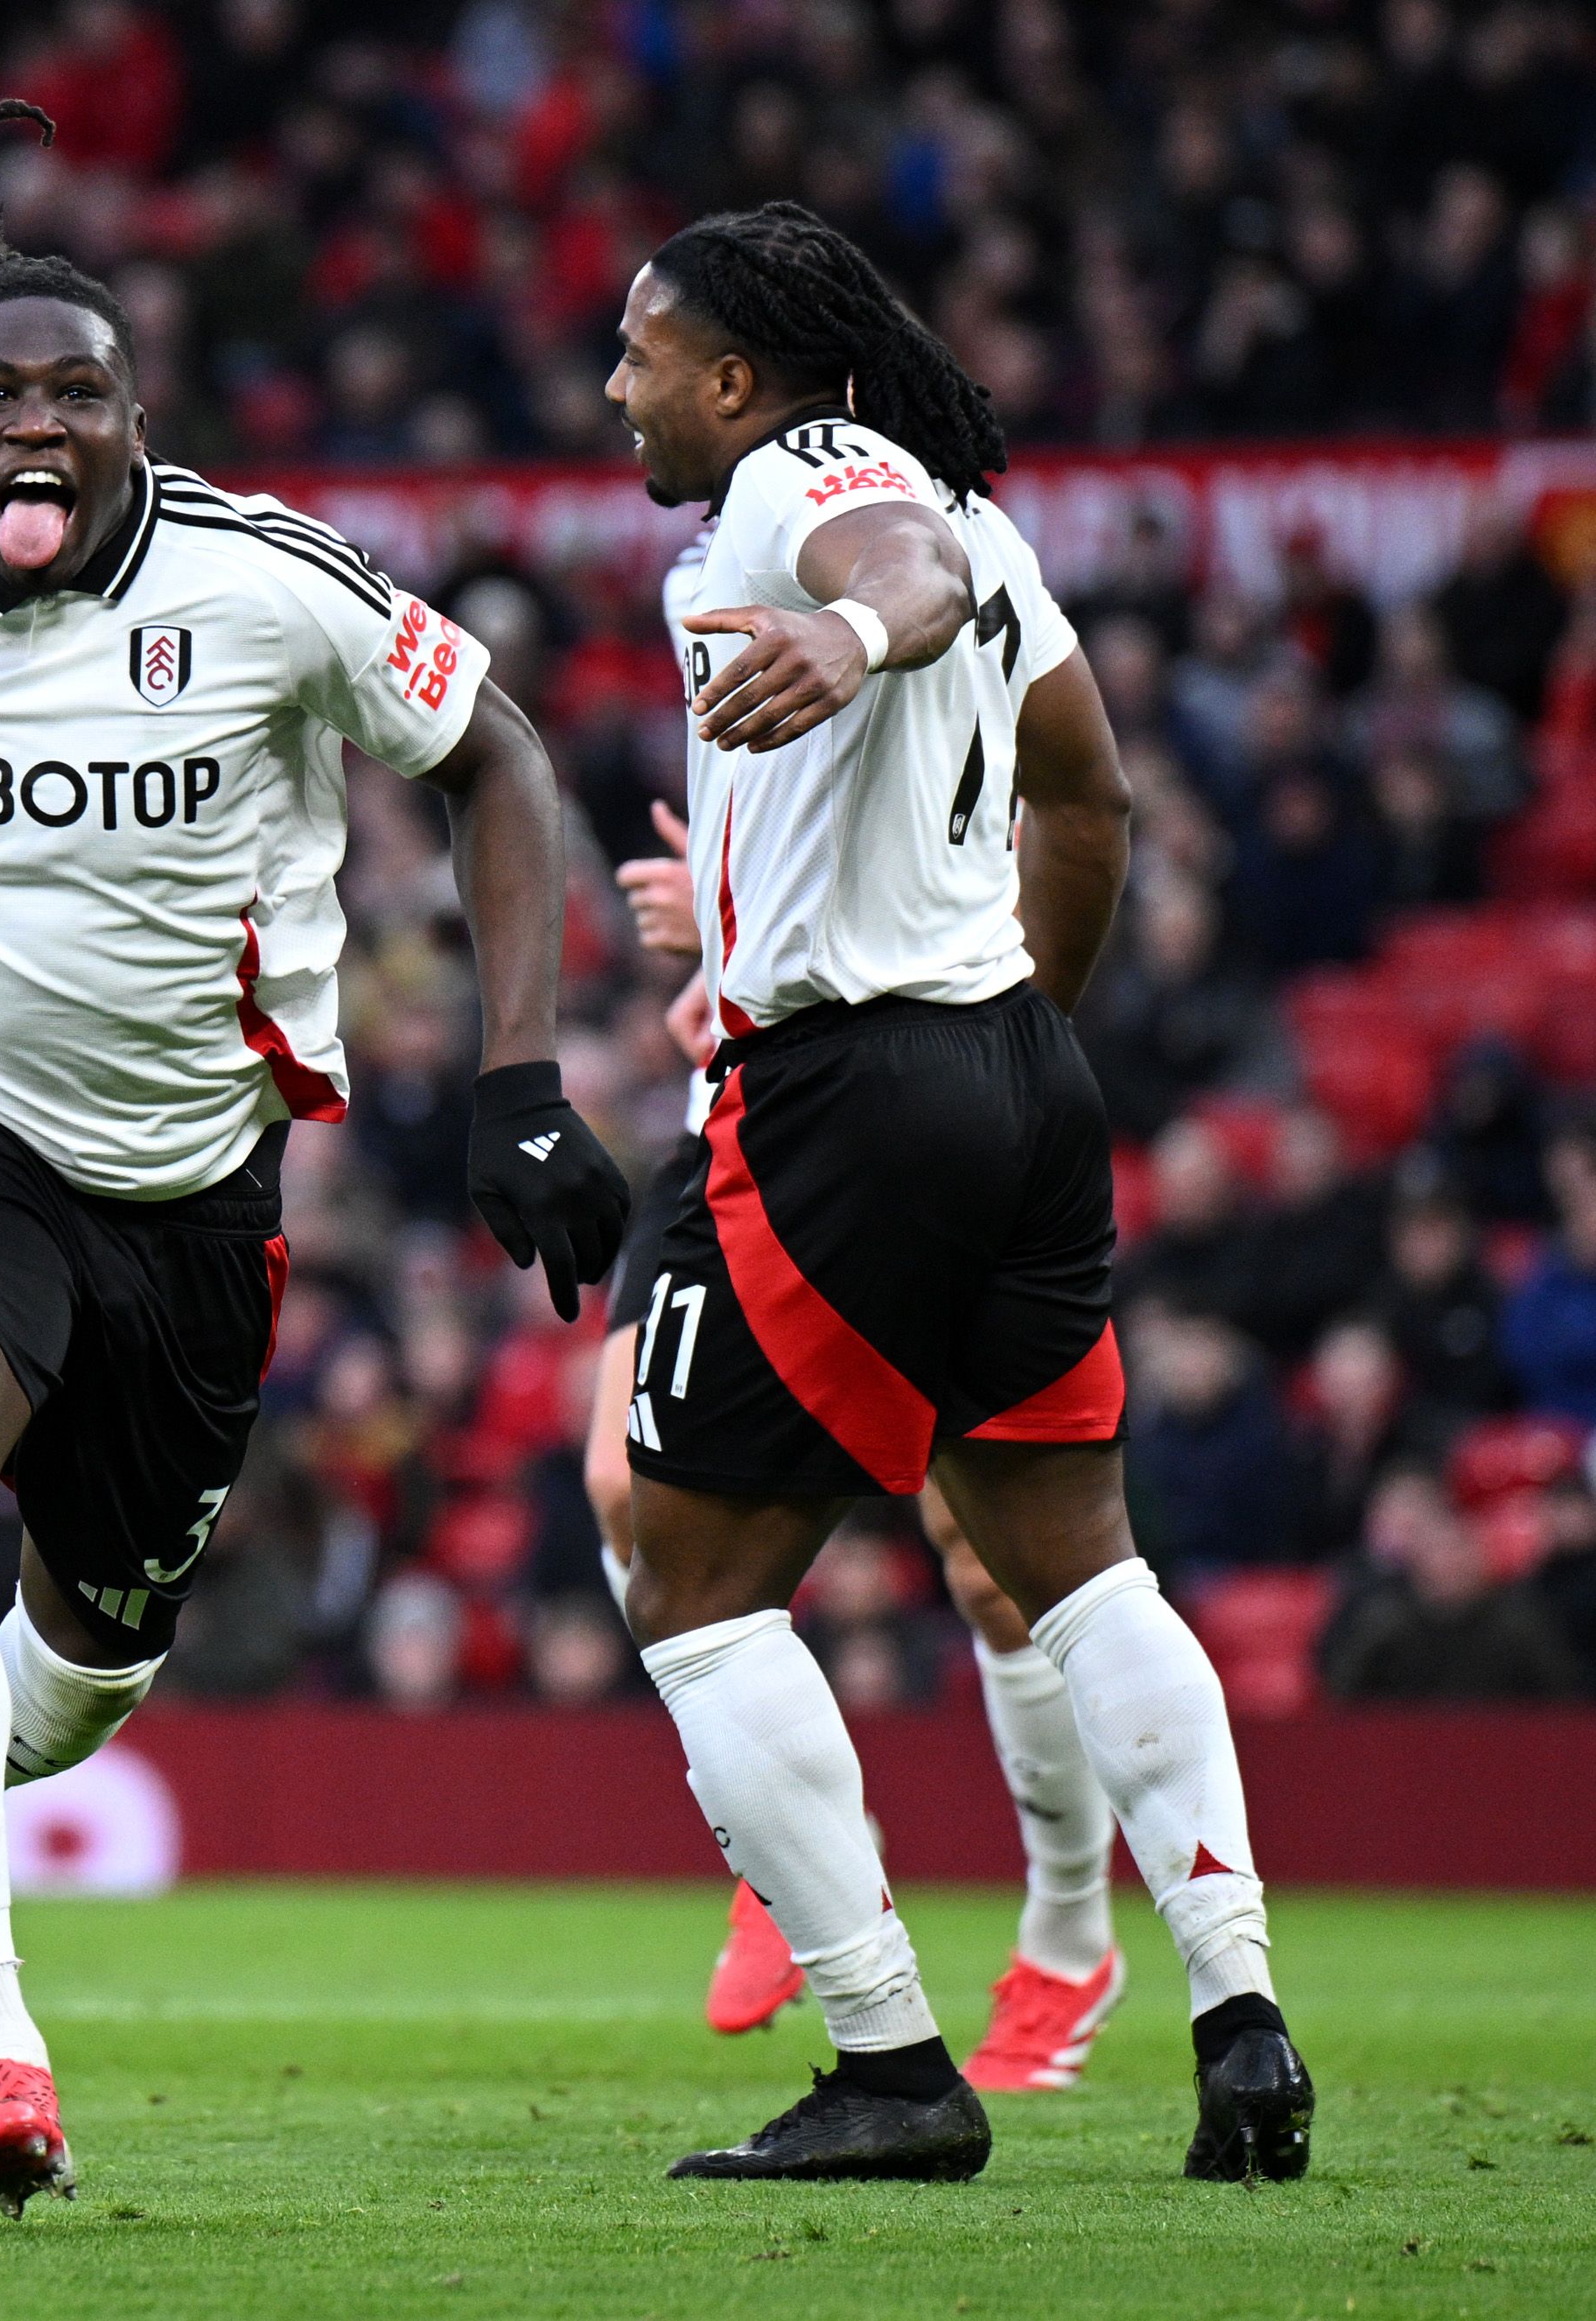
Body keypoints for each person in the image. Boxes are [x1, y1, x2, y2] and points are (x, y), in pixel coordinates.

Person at [0, 104, 629, 2215]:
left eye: (80, 392)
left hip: (198, 1182)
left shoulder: (267, 583)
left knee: (89, 1663)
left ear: (140, 419)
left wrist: (523, 1078)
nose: (37, 424)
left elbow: (497, 759)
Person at [599, 203, 1307, 2184]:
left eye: (644, 352)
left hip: (842, 1091)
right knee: (1081, 1560)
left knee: (694, 1585)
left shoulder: (813, 488)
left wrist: (842, 625)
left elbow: (879, 569)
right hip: (1008, 1070)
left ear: (737, 378)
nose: (615, 386)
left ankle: (894, 2067)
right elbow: (1088, 798)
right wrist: (1020, 1042)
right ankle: (1241, 2020)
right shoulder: (993, 533)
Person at [594, 819, 1128, 2093]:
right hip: (734, 1112)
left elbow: (1043, 824)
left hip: (921, 1105)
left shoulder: (941, 624)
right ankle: (793, 1863)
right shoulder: (701, 617)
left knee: (992, 1557)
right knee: (625, 1487)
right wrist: (717, 919)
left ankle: (1067, 1933)